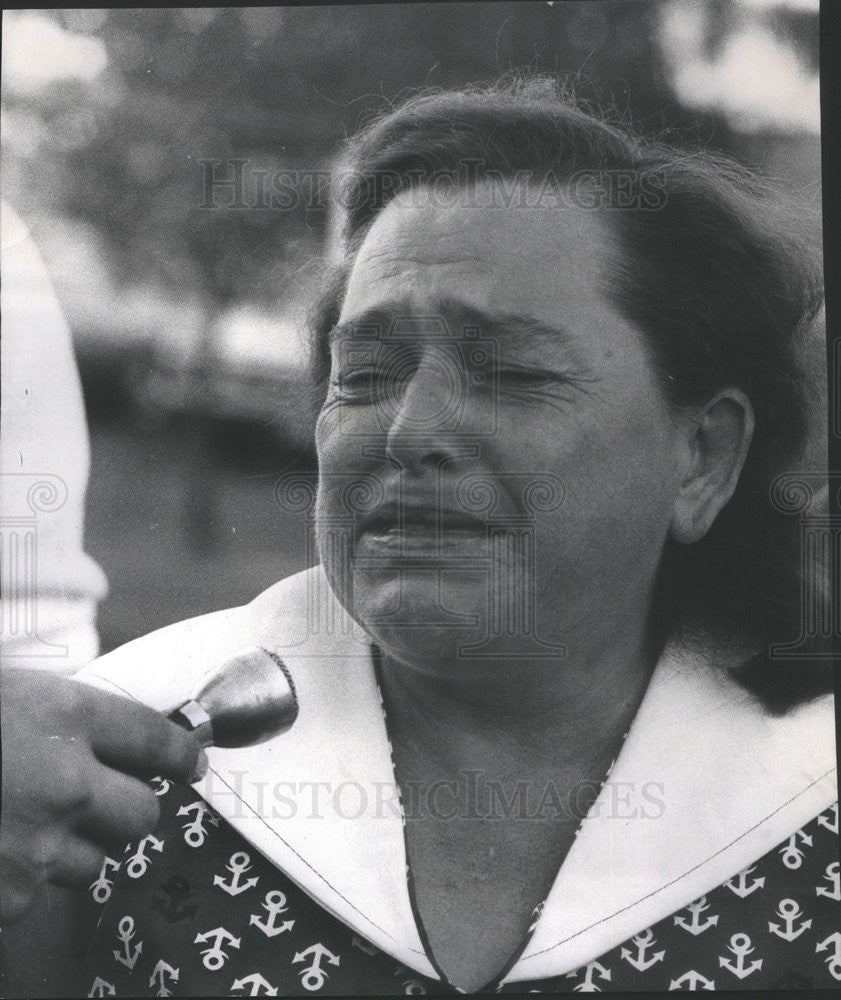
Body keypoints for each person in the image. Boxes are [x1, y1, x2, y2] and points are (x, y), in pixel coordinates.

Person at [1, 79, 837, 996]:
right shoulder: (96, 770)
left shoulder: (812, 788)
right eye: (364, 373)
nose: (408, 430)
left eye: (513, 372)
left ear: (702, 457)